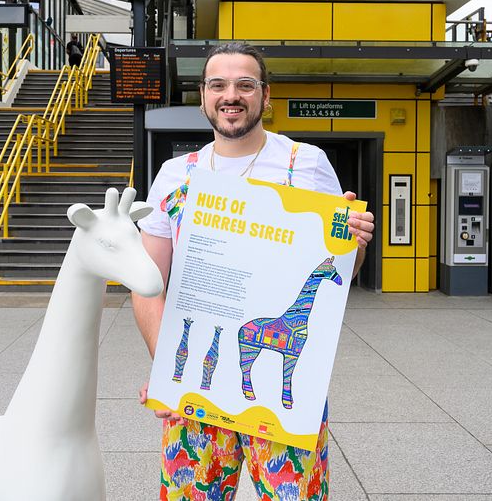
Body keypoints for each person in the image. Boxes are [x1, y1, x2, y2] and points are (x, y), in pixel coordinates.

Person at [132, 42, 375, 500]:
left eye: (246, 84)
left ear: (266, 96)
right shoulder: (174, 174)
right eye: (218, 84)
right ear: (202, 95)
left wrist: (353, 241)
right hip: (197, 392)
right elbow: (149, 285)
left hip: (284, 399)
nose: (231, 95)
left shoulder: (304, 163)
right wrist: (168, 371)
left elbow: (343, 270)